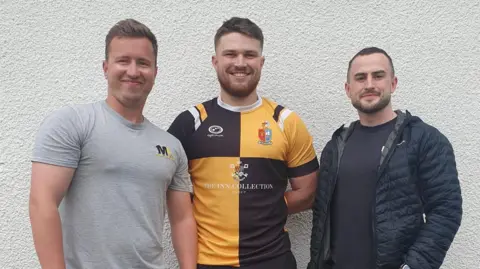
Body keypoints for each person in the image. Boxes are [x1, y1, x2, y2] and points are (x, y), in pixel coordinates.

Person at [28, 19, 197, 269]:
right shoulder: (73, 123)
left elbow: (182, 219)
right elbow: (42, 202)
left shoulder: (171, 146)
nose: (133, 71)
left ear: (155, 72)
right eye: (123, 61)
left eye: (143, 63)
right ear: (106, 68)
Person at [167, 17, 319, 269]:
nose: (240, 63)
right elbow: (164, 187)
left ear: (261, 62)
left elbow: (309, 192)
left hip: (273, 260)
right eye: (230, 54)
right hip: (207, 262)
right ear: (215, 61)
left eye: (249, 54)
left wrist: (270, 206)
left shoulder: (285, 121)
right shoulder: (190, 122)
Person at [307, 47, 463, 269]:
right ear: (348, 89)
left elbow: (447, 209)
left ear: (393, 83)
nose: (369, 84)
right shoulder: (335, 146)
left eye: (378, 76)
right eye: (360, 78)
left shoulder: (424, 139)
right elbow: (321, 218)